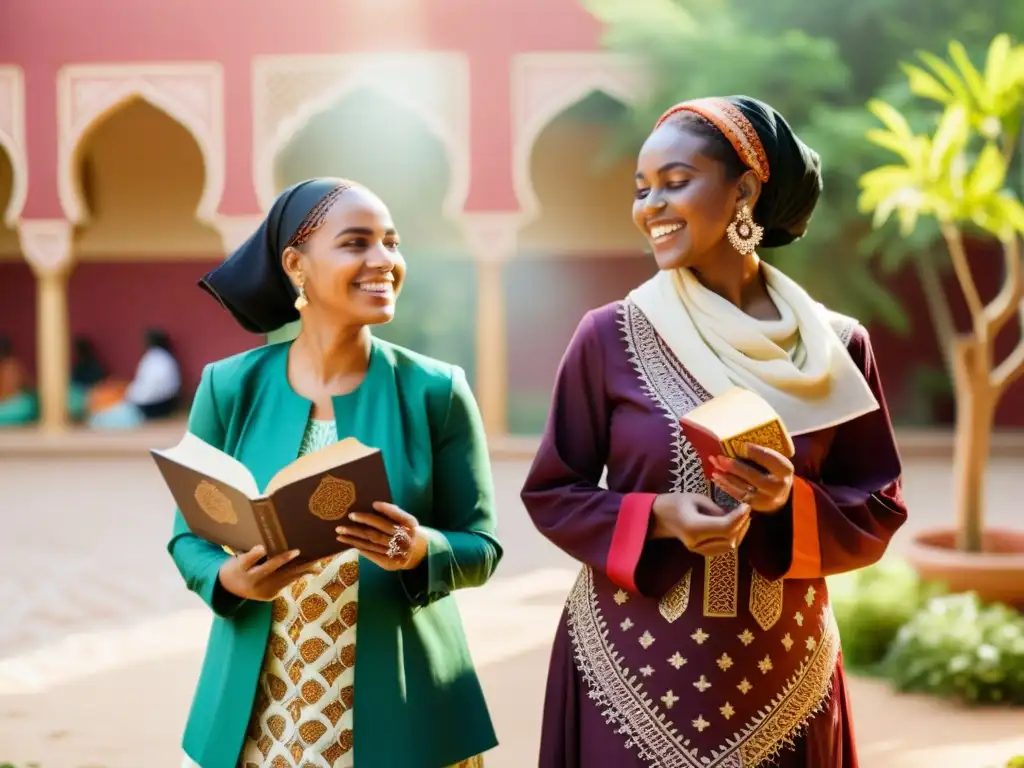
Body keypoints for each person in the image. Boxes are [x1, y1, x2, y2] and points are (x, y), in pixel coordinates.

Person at [521, 96, 907, 767]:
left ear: (745, 191)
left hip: (784, 674)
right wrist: (657, 516)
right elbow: (554, 491)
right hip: (630, 670)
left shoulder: (838, 347)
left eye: (675, 183)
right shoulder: (609, 335)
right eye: (642, 190)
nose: (651, 207)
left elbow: (876, 505)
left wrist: (791, 501)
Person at [171, 178, 501, 768]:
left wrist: (418, 547)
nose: (384, 261)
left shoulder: (435, 390)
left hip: (405, 701)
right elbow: (187, 536)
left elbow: (482, 546)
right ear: (296, 264)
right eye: (356, 243)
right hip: (268, 707)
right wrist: (230, 580)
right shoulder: (228, 387)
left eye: (391, 243)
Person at [89, 328, 182, 429]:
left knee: (102, 416)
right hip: (166, 404)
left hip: (152, 406)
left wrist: (129, 396)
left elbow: (147, 389)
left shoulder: (153, 358)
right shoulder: (167, 358)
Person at [0, 335, 36, 426]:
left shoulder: (13, 366)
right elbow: (29, 385)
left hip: (13, 408)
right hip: (15, 409)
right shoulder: (15, 366)